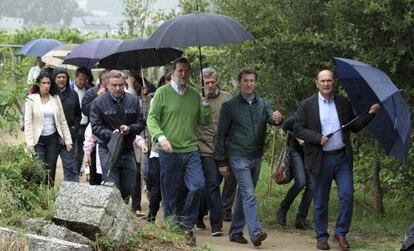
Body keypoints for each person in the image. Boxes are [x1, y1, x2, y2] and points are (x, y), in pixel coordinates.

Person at [294, 70, 380, 251]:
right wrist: (318, 137)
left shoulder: (342, 102)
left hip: (341, 158)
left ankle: (340, 233)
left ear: (334, 83)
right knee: (320, 201)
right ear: (316, 83)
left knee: (347, 195)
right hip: (320, 158)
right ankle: (321, 236)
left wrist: (370, 114)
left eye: (329, 81)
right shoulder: (307, 105)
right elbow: (299, 129)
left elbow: (354, 126)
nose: (326, 84)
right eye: (323, 81)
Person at [147, 57, 212, 246]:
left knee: (198, 186)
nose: (183, 74)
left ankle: (185, 225)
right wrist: (161, 137)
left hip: (191, 149)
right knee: (170, 194)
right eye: (179, 71)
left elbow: (205, 121)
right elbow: (152, 119)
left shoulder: (194, 95)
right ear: (173, 73)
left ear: (190, 73)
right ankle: (172, 232)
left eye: (186, 71)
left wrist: (205, 101)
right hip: (169, 151)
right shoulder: (162, 93)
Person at [215, 68, 283, 247]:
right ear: (239, 83)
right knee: (249, 194)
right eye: (245, 80)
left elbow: (272, 119)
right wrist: (222, 161)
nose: (249, 83)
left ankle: (236, 232)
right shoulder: (230, 106)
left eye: (252, 80)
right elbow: (221, 135)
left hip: (256, 157)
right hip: (237, 157)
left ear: (256, 83)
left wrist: (277, 118)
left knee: (244, 196)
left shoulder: (263, 104)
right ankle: (255, 232)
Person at [90, 70, 145, 200]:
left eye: (120, 85)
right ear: (107, 85)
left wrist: (129, 129)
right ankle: (113, 217)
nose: (118, 88)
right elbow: (95, 127)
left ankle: (122, 213)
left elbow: (141, 123)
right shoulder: (98, 102)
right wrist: (111, 134)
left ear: (124, 84)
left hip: (127, 149)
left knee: (128, 187)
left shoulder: (133, 100)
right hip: (108, 149)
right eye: (114, 85)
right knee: (112, 187)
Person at [196, 67, 232, 236]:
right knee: (212, 185)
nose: (210, 85)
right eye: (206, 82)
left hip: (223, 149)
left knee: (213, 185)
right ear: (202, 83)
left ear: (217, 81)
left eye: (212, 81)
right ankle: (216, 225)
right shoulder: (196, 98)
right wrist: (204, 101)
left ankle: (199, 213)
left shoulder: (227, 98)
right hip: (204, 148)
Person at [24, 71, 72, 186]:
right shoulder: (31, 99)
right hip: (38, 139)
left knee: (51, 169)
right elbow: (28, 123)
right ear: (38, 84)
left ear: (51, 85)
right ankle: (37, 194)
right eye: (43, 83)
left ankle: (48, 195)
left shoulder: (55, 98)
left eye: (48, 83)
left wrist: (68, 140)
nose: (46, 86)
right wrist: (29, 143)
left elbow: (62, 120)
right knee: (39, 167)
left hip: (52, 139)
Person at [277, 113, 314, 230]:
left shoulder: (323, 117)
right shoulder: (300, 114)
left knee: (312, 186)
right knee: (301, 182)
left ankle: (301, 219)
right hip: (295, 150)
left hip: (310, 153)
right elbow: (285, 126)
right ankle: (283, 208)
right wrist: (298, 138)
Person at [52, 67, 81, 182]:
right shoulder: (50, 94)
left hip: (69, 136)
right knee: (49, 167)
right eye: (58, 77)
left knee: (70, 167)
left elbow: (78, 114)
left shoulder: (73, 94)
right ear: (54, 78)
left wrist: (75, 128)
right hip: (52, 136)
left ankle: (72, 195)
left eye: (64, 77)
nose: (61, 79)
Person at [70, 67, 93, 176]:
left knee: (80, 153)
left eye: (85, 80)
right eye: (80, 79)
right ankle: (73, 176)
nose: (82, 82)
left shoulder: (90, 90)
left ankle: (77, 172)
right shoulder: (69, 89)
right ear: (76, 77)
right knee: (73, 153)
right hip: (74, 125)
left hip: (86, 125)